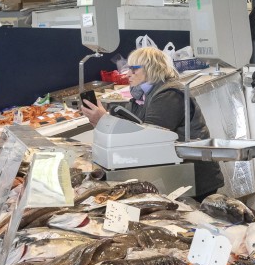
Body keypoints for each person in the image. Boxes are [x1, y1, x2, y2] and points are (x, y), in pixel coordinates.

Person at [79, 45, 224, 197]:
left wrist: (103, 119)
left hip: (195, 177)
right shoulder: (142, 96)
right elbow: (130, 128)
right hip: (175, 172)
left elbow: (150, 137)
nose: (128, 74)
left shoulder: (169, 95)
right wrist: (102, 123)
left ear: (151, 68)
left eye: (133, 68)